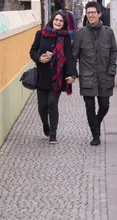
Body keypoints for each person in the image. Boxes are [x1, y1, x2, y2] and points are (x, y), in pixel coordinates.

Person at [73, 1, 117, 146]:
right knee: (89, 107)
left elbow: (113, 52)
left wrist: (111, 71)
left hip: (105, 76)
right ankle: (95, 135)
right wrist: (72, 73)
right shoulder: (80, 34)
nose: (90, 15)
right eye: (88, 12)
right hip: (87, 78)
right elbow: (74, 56)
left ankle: (95, 124)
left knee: (104, 105)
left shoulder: (108, 33)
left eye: (93, 12)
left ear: (99, 14)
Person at [30, 11, 77, 144]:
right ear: (52, 20)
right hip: (42, 75)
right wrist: (39, 58)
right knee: (42, 106)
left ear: (64, 24)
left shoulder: (66, 37)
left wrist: (72, 75)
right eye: (56, 20)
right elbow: (32, 51)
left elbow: (69, 57)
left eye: (61, 21)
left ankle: (53, 134)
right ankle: (46, 125)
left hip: (58, 76)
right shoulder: (41, 34)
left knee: (52, 103)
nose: (58, 22)